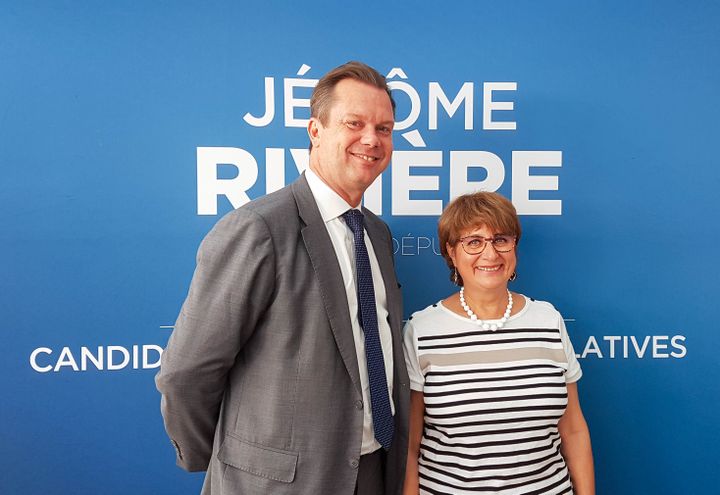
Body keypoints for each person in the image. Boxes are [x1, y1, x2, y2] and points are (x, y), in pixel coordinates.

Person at [156, 61, 409, 495]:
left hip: (373, 470)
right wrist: (223, 458)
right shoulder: (259, 228)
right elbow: (188, 371)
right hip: (274, 484)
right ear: (315, 130)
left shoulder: (377, 234)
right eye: (355, 123)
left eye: (383, 128)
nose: (371, 139)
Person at [402, 192, 595, 495]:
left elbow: (573, 427)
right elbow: (410, 445)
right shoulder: (422, 329)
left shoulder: (548, 320)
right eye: (474, 242)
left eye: (500, 239)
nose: (490, 254)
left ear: (514, 246)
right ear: (451, 252)